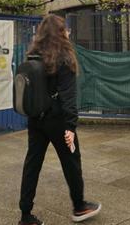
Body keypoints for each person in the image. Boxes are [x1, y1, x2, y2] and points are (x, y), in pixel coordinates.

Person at [18, 14, 101, 225]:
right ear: (60, 33)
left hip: (36, 119)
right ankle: (79, 207)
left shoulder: (33, 56)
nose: (68, 32)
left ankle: (26, 214)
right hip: (58, 122)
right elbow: (68, 96)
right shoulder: (64, 58)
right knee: (71, 162)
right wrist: (70, 127)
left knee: (32, 164)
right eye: (65, 29)